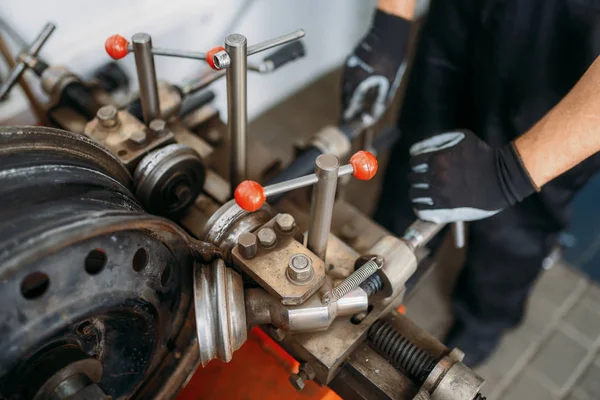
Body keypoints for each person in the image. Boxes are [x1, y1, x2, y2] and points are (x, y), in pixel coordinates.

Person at [341, 0, 600, 366]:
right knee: (421, 152)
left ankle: (483, 317)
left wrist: (510, 173)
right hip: (460, 14)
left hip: (573, 47)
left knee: (518, 215)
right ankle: (390, 268)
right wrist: (391, 21)